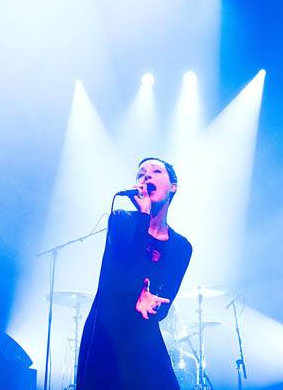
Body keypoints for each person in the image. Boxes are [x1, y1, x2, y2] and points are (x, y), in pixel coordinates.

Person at [77, 157, 193, 390]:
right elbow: (117, 279)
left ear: (173, 186)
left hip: (142, 334)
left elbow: (163, 308)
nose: (146, 176)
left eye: (156, 171)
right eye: (141, 174)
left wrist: (154, 305)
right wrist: (143, 217)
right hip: (107, 329)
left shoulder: (181, 246)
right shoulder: (122, 220)